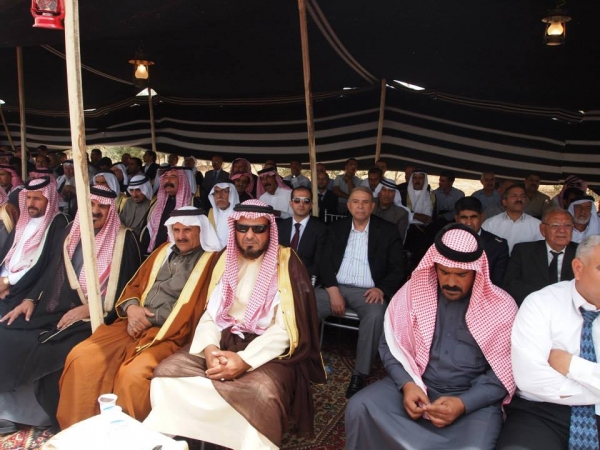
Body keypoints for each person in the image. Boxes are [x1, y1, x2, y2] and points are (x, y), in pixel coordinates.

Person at [144, 200, 326, 449]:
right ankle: (185, 440)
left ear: (270, 230)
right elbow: (211, 314)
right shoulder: (225, 260)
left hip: (267, 349)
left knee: (261, 393)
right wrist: (209, 349)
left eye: (258, 229)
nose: (249, 236)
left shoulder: (286, 263)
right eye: (242, 228)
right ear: (235, 229)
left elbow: (285, 329)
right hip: (223, 339)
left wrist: (245, 360)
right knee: (167, 374)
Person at [345, 224, 518, 450]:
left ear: (476, 271)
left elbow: (504, 372)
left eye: (461, 274)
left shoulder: (501, 307)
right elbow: (390, 345)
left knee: (475, 447)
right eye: (444, 272)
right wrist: (407, 385)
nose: (451, 282)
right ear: (434, 266)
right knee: (360, 406)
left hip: (472, 399)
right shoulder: (412, 294)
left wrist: (463, 403)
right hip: (417, 385)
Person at [57, 207, 221, 428]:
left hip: (172, 332)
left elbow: (200, 308)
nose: (181, 236)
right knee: (82, 357)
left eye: (188, 230)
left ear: (201, 231)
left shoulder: (212, 262)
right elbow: (133, 285)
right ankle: (80, 431)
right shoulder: (162, 251)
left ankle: (129, 439)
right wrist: (132, 308)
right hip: (131, 323)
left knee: (132, 376)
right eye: (176, 230)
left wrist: (150, 319)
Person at [0, 186, 140, 434]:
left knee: (51, 349)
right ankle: (7, 412)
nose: (95, 211)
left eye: (102, 206)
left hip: (97, 318)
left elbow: (129, 288)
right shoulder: (70, 232)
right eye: (91, 205)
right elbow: (50, 273)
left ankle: (47, 416)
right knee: (7, 331)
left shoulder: (125, 239)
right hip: (56, 309)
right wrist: (31, 300)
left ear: (111, 210)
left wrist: (90, 308)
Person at [496, 235, 600, 450]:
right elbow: (530, 378)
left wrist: (570, 365)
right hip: (543, 411)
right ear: (578, 268)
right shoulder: (541, 303)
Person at [315, 187, 404, 397]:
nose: (360, 206)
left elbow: (399, 266)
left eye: (365, 202)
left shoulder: (388, 230)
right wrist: (332, 289)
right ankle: (305, 358)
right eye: (356, 202)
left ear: (372, 206)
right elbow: (323, 261)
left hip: (368, 292)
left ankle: (359, 374)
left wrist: (381, 288)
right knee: (305, 304)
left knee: (375, 315)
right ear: (348, 206)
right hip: (335, 287)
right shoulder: (336, 228)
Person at [0, 177, 69, 315]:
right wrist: (3, 279)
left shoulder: (58, 223)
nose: (31, 203)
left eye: (37, 199)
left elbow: (47, 264)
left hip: (31, 289)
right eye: (28, 197)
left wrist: (8, 281)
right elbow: (9, 254)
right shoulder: (24, 221)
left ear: (49, 199)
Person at [503, 207, 577, 306]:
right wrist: (545, 298)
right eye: (555, 225)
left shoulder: (582, 253)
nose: (562, 230)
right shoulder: (523, 251)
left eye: (568, 225)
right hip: (533, 307)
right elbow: (510, 284)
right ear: (543, 230)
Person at [141, 167, 198, 257]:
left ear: (181, 181)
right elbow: (147, 230)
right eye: (165, 177)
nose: (168, 180)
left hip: (179, 256)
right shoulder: (157, 203)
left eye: (173, 176)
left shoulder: (193, 203)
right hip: (154, 254)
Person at [454, 196, 509, 286]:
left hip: (485, 292)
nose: (469, 223)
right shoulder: (445, 241)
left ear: (482, 217)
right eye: (464, 217)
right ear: (456, 219)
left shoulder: (498, 246)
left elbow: (497, 282)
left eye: (473, 217)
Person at [277, 186, 327, 279]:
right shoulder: (280, 226)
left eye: (306, 201)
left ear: (311, 204)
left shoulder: (321, 229)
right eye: (297, 200)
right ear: (291, 204)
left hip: (306, 279)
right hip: (279, 276)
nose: (301, 204)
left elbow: (319, 263)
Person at [482, 184, 543, 254]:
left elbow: (540, 251)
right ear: (504, 202)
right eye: (514, 196)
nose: (519, 199)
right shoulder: (490, 223)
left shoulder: (537, 225)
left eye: (522, 196)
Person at [373, 178, 409, 243]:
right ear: (379, 192)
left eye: (391, 191)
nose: (387, 194)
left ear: (395, 194)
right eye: (384, 190)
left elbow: (398, 240)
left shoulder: (402, 213)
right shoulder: (368, 205)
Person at [208, 181, 239, 249]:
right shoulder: (211, 213)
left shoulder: (240, 216)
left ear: (232, 194)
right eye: (216, 192)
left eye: (224, 191)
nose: (219, 196)